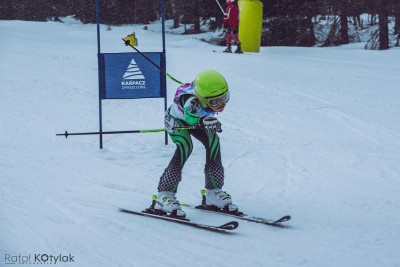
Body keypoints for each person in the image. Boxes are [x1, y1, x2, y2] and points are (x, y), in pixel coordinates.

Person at [155, 70, 238, 218]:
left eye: (224, 98)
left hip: (198, 121)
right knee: (185, 146)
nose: (221, 104)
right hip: (177, 121)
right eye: (214, 102)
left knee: (214, 142)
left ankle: (213, 192)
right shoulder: (190, 101)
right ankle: (164, 194)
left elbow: (201, 118)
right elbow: (190, 116)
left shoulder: (206, 96)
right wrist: (203, 121)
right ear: (202, 98)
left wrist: (206, 121)